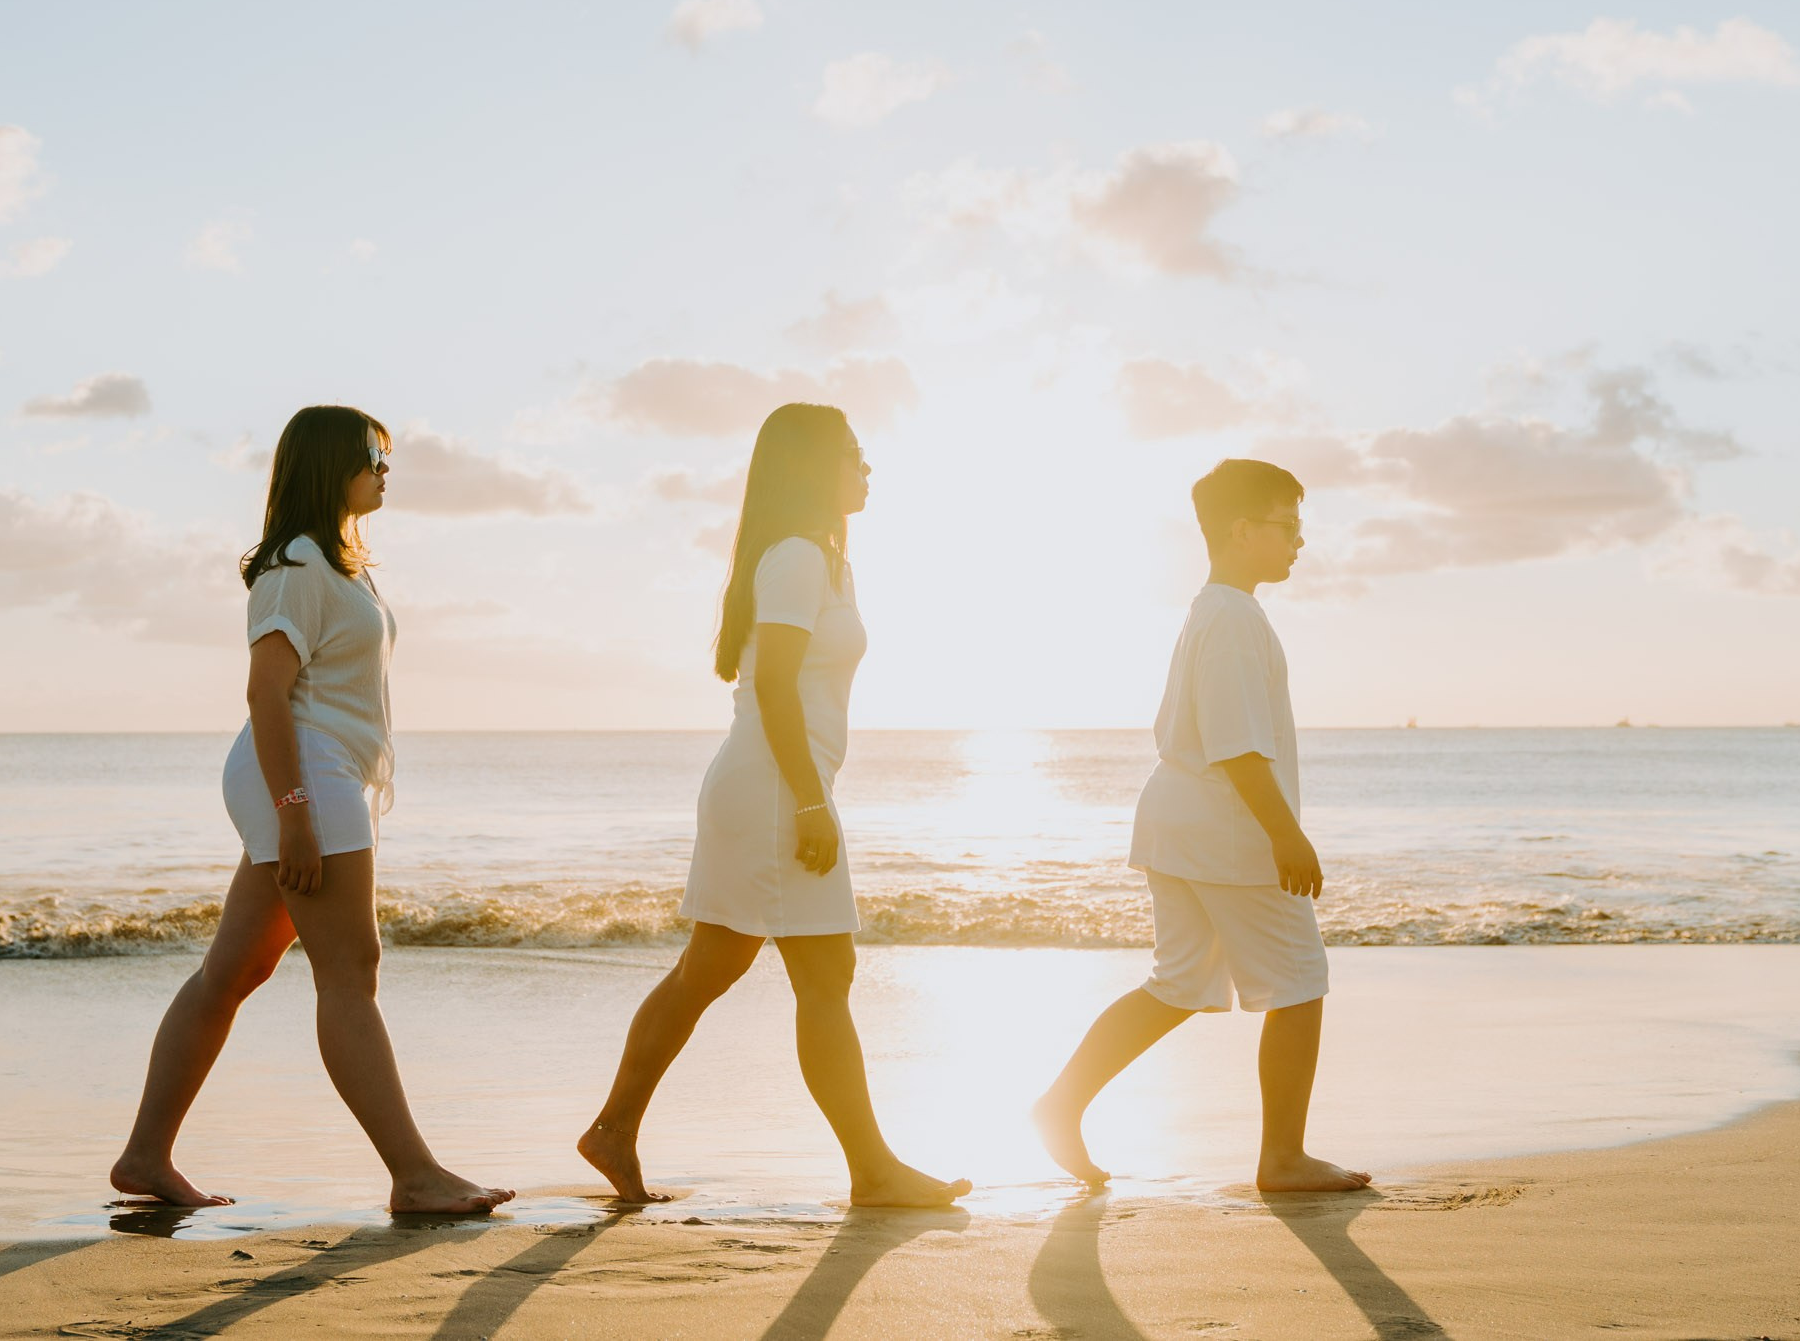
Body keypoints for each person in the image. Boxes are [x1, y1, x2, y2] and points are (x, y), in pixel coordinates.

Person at [109, 405, 513, 1216]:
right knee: (351, 971)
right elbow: (266, 691)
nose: (385, 469)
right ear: (331, 464)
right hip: (303, 773)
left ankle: (145, 1155)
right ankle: (415, 1174)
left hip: (313, 774)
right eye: (373, 454)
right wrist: (294, 809)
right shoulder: (294, 565)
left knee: (233, 970)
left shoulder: (338, 564)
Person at [578, 403, 969, 1209]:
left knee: (709, 969)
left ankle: (614, 1128)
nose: (868, 469)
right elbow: (774, 685)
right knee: (822, 973)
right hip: (774, 790)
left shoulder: (819, 557)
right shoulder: (795, 557)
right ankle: (873, 1171)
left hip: (766, 784)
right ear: (811, 467)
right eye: (854, 455)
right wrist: (812, 802)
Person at [1032, 459, 1369, 1194]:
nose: (1299, 541)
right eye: (1287, 526)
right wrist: (1286, 833)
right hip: (1224, 829)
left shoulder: (1214, 610)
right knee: (1300, 981)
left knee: (1179, 983)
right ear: (1241, 530)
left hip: (1181, 824)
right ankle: (1282, 1156)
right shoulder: (1233, 618)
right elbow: (1237, 745)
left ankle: (1060, 1103)